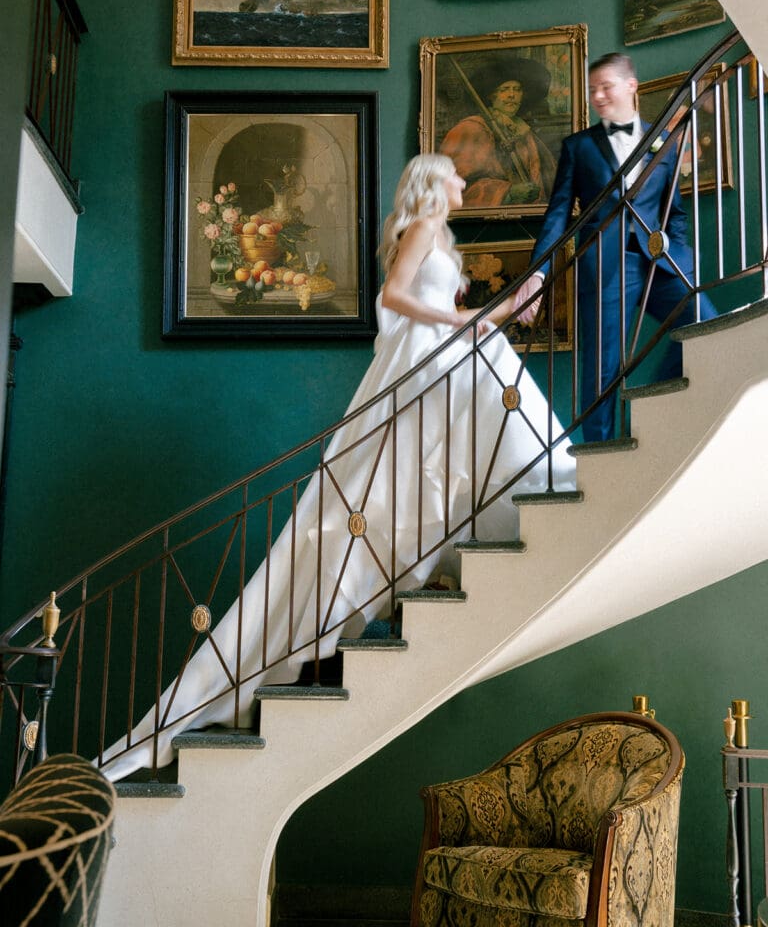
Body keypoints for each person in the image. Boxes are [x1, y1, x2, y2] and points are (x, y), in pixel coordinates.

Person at [99, 154, 576, 781]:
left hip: (436, 354)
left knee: (468, 409)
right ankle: (548, 483)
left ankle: (518, 497)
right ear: (434, 183)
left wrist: (490, 314)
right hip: (423, 357)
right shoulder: (424, 226)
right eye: (455, 175)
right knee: (396, 467)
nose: (464, 182)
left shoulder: (441, 235)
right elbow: (393, 296)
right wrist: (464, 319)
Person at [516, 52, 718, 441]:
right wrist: (538, 272)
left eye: (606, 87)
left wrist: (682, 258)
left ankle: (654, 406)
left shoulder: (664, 142)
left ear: (631, 86)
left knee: (705, 326)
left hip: (660, 262)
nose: (598, 96)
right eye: (593, 90)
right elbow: (558, 215)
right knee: (602, 370)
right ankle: (600, 457)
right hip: (604, 266)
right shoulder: (578, 147)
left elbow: (674, 212)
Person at [439, 59, 557, 209]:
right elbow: (454, 186)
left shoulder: (525, 132)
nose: (511, 95)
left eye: (517, 89)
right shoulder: (471, 129)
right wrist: (508, 193)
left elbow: (550, 176)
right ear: (491, 96)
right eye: (504, 90)